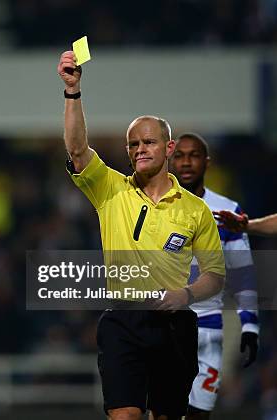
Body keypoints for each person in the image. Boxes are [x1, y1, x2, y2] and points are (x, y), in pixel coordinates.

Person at [57, 50, 225, 420]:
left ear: (168, 148)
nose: (139, 150)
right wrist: (73, 92)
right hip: (123, 320)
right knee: (125, 415)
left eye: (148, 142)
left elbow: (215, 276)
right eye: (133, 144)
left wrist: (186, 293)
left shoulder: (195, 209)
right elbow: (76, 149)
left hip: (175, 324)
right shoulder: (110, 190)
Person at [170, 132, 259, 419]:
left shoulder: (227, 211)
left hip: (209, 327)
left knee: (199, 413)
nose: (186, 163)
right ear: (170, 162)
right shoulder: (152, 207)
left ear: (206, 162)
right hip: (164, 325)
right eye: (180, 156)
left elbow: (244, 272)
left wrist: (250, 324)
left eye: (193, 155)